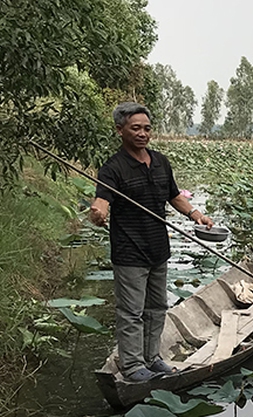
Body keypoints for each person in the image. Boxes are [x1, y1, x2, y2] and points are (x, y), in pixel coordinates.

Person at [89, 102, 214, 382]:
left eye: (147, 128)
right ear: (120, 131)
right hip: (130, 250)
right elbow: (101, 202)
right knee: (131, 311)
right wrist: (98, 212)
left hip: (159, 247)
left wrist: (196, 214)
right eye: (136, 128)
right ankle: (132, 366)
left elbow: (173, 195)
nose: (143, 133)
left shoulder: (160, 161)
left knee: (157, 307)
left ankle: (152, 358)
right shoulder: (113, 168)